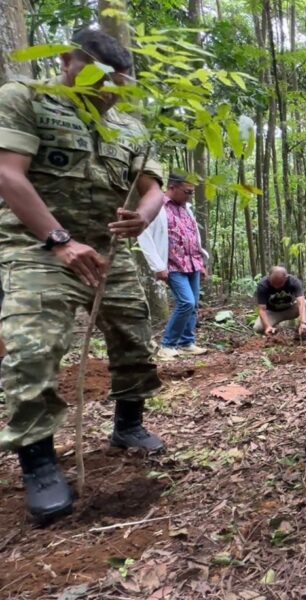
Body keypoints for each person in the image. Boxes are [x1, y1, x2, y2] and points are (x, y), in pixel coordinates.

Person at [0, 28, 168, 524]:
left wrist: (144, 213)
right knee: (32, 349)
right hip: (38, 249)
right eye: (100, 81)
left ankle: (128, 425)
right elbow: (9, 174)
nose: (108, 93)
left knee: (135, 339)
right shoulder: (24, 98)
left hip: (107, 254)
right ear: (70, 63)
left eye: (118, 85)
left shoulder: (130, 127)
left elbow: (153, 187)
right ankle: (39, 462)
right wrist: (59, 241)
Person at [137, 172, 209, 359]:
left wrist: (201, 263)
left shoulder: (187, 209)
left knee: (193, 305)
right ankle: (167, 344)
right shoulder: (157, 207)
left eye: (192, 192)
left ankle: (187, 342)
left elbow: (194, 237)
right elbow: (144, 235)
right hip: (172, 265)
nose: (190, 196)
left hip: (192, 263)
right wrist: (157, 266)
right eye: (187, 192)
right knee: (186, 302)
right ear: (173, 187)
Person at [253, 266, 306, 338]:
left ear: (286, 278)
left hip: (290, 309)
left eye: (280, 284)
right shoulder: (263, 285)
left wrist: (303, 322)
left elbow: (301, 303)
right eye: (273, 283)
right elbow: (262, 309)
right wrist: (267, 327)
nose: (276, 287)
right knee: (258, 327)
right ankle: (272, 333)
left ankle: (301, 333)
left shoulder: (294, 282)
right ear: (268, 277)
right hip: (272, 312)